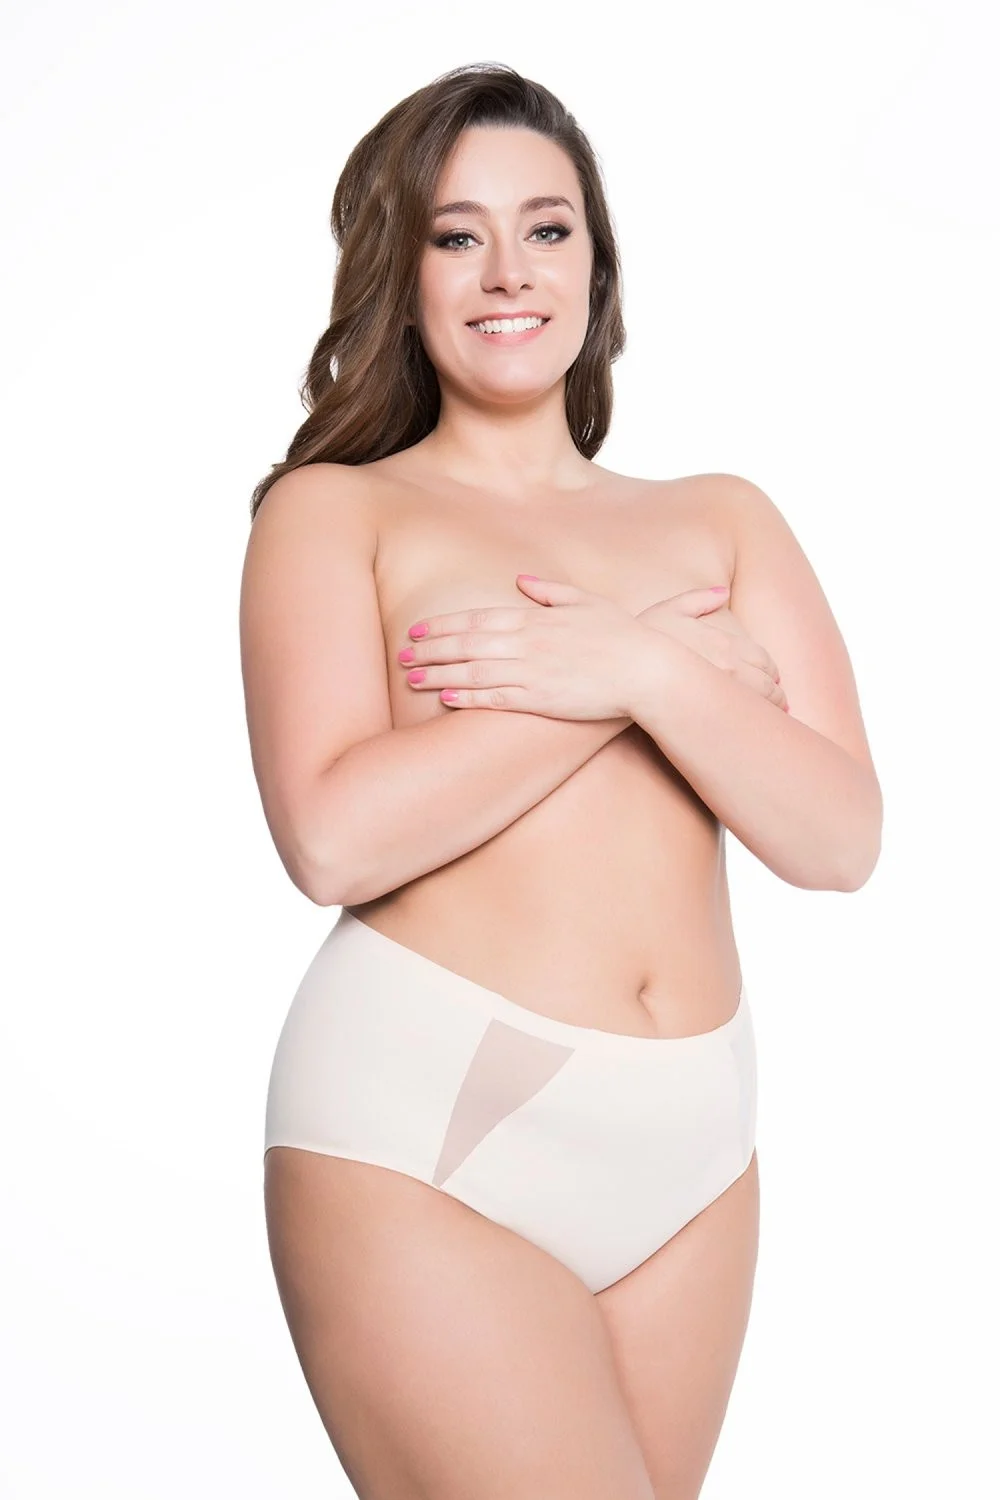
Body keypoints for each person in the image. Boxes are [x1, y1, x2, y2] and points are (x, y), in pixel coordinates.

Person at [239, 60, 882, 1500]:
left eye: (547, 228)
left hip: (696, 1154)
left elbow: (840, 836)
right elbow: (333, 839)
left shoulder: (722, 518)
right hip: (426, 1124)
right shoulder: (335, 512)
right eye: (456, 235)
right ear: (402, 275)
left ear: (599, 263)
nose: (507, 272)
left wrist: (642, 668)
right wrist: (629, 677)